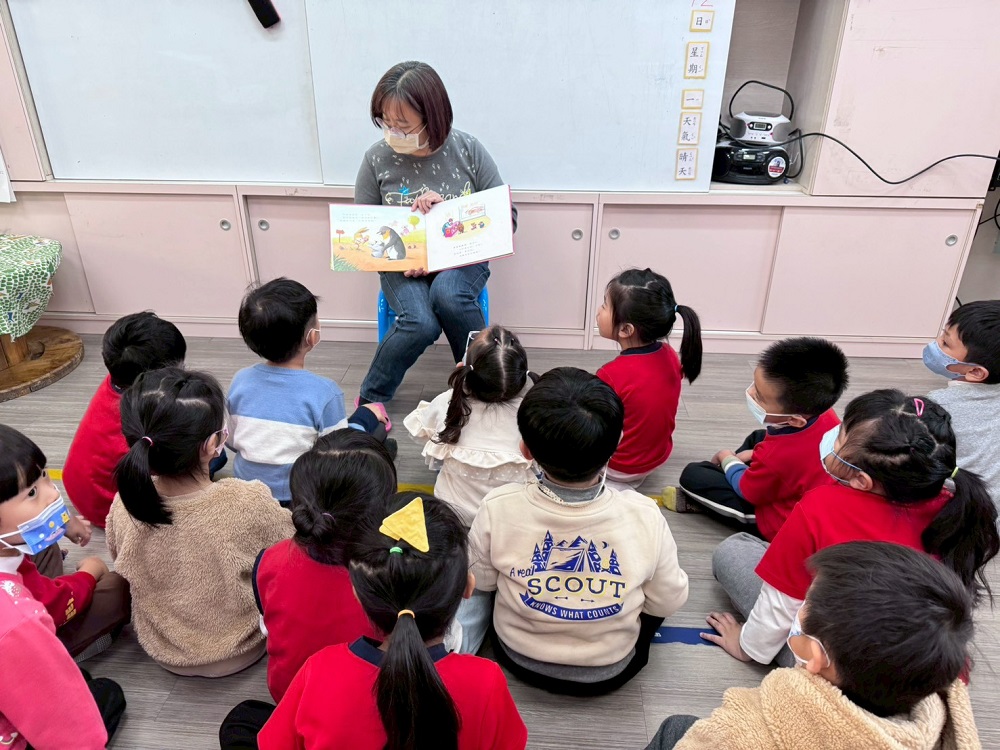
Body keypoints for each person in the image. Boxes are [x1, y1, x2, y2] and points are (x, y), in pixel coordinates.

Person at [706, 389, 999, 668]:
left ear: (862, 480)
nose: (831, 437)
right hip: (922, 664)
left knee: (735, 549)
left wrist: (747, 648)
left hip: (837, 667)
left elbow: (780, 604)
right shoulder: (958, 507)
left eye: (839, 436)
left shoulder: (819, 507)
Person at [220, 493, 528, 749]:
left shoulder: (320, 670)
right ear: (467, 589)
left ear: (357, 592)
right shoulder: (487, 682)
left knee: (242, 721)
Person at [466, 367, 689, 693]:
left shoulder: (497, 506)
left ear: (525, 450)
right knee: (655, 585)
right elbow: (667, 602)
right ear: (618, 443)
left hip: (518, 655)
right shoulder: (645, 515)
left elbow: (483, 582)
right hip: (610, 669)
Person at [648, 542, 981, 750]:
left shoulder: (745, 727)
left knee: (675, 728)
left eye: (807, 600)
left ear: (816, 655)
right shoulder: (933, 715)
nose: (801, 605)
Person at [106, 367, 294, 676]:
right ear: (210, 445)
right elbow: (289, 554)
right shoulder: (247, 501)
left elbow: (120, 558)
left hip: (164, 649)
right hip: (242, 647)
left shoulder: (125, 503)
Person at [355, 60, 517, 408]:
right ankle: (371, 399)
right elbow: (363, 232)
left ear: (433, 117)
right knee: (419, 322)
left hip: (462, 261)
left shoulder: (468, 150)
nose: (393, 132)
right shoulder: (376, 159)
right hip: (402, 265)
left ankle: (481, 390)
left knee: (448, 294)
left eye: (403, 125)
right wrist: (406, 251)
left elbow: (507, 219)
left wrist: (450, 215)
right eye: (386, 122)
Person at [0, 424, 127, 748]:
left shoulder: (10, 546)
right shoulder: (18, 620)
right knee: (106, 692)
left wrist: (62, 522)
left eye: (44, 476)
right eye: (31, 493)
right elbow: (81, 739)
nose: (53, 493)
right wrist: (89, 574)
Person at [253, 429, 396, 702]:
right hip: (364, 704)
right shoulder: (394, 574)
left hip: (289, 695)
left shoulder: (269, 560)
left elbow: (271, 625)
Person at [228, 278, 393, 505]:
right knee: (372, 425)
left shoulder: (240, 380)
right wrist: (364, 417)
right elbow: (338, 453)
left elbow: (231, 440)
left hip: (246, 490)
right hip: (300, 495)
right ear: (312, 336)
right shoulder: (324, 392)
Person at [677, 337, 849, 541]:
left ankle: (728, 485)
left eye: (759, 396)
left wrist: (726, 458)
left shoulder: (776, 457)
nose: (750, 393)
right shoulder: (824, 413)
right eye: (754, 385)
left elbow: (747, 490)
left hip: (781, 520)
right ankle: (744, 470)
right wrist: (755, 456)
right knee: (757, 437)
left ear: (795, 420)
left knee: (693, 475)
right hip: (805, 481)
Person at [63, 310, 188, 529]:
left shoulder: (119, 376)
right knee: (206, 455)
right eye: (179, 367)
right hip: (112, 509)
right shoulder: (147, 415)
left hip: (81, 491)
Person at [404, 325, 538, 526]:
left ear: (465, 369)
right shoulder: (532, 412)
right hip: (507, 520)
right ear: (520, 376)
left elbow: (424, 431)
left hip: (453, 516)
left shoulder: (449, 402)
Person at [595, 268, 702, 490]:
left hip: (619, 467)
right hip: (656, 458)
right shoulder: (669, 354)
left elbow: (592, 426)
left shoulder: (610, 374)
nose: (599, 310)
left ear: (626, 329)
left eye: (605, 305)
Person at [924, 300, 1000, 509]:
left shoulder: (937, 406)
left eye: (945, 344)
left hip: (957, 511)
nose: (936, 344)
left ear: (975, 372)